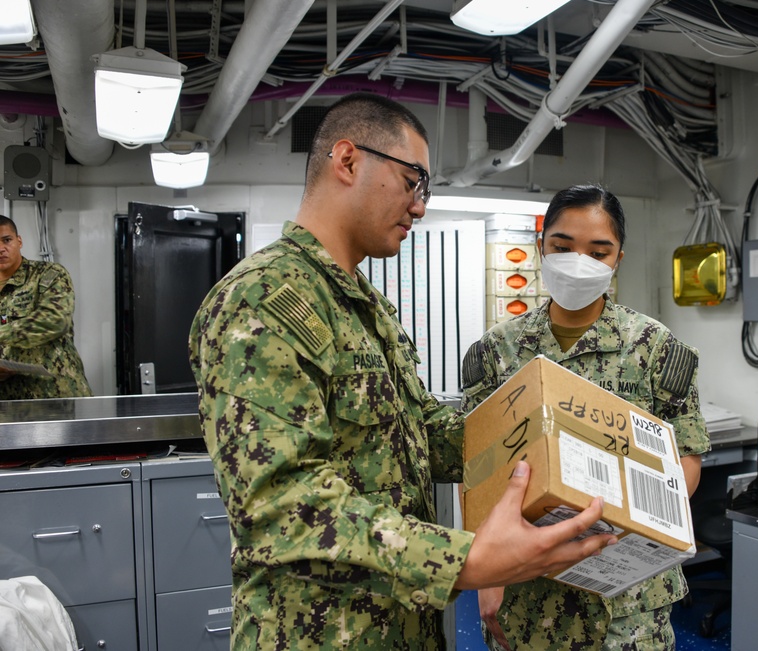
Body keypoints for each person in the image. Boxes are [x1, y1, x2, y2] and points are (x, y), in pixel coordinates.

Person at [188, 94, 617, 649]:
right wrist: (466, 560)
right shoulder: (264, 298)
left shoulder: (361, 304)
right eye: (414, 181)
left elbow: (422, 436)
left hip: (399, 628)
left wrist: (544, 436)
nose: (419, 207)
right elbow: (281, 506)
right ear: (347, 161)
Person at [461, 184, 712, 650]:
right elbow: (479, 470)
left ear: (618, 258)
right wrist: (487, 573)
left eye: (599, 252)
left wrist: (633, 517)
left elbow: (688, 458)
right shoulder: (496, 351)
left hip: (626, 593)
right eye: (562, 247)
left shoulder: (654, 347)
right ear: (541, 247)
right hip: (528, 588)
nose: (580, 262)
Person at [0, 215, 91, 400]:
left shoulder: (49, 274)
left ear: (19, 241)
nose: (1, 249)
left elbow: (55, 320)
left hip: (55, 396)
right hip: (9, 403)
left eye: (6, 240)